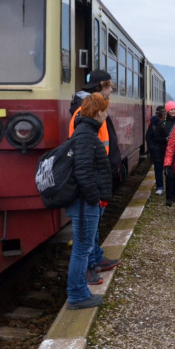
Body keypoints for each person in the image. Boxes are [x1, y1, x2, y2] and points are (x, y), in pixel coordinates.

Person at [65, 93, 113, 310]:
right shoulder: (85, 135)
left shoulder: (84, 132)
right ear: (98, 112)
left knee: (82, 248)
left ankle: (79, 293)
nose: (107, 113)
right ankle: (77, 295)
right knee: (82, 249)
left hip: (86, 202)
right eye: (105, 110)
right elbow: (83, 172)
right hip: (85, 204)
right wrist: (95, 198)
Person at [68, 69, 121, 181]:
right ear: (101, 85)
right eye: (109, 86)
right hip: (96, 173)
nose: (111, 90)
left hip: (99, 170)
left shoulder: (92, 109)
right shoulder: (87, 112)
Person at [159, 101, 175, 207]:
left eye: (174, 109)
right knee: (168, 174)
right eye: (171, 109)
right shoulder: (163, 123)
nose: (173, 111)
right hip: (166, 152)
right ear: (167, 110)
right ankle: (169, 197)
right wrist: (165, 140)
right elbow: (157, 138)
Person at [146, 106, 166, 195]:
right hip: (157, 149)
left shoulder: (169, 124)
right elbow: (149, 136)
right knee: (158, 169)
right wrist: (152, 147)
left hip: (166, 150)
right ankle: (160, 187)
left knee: (167, 170)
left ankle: (169, 188)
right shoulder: (154, 124)